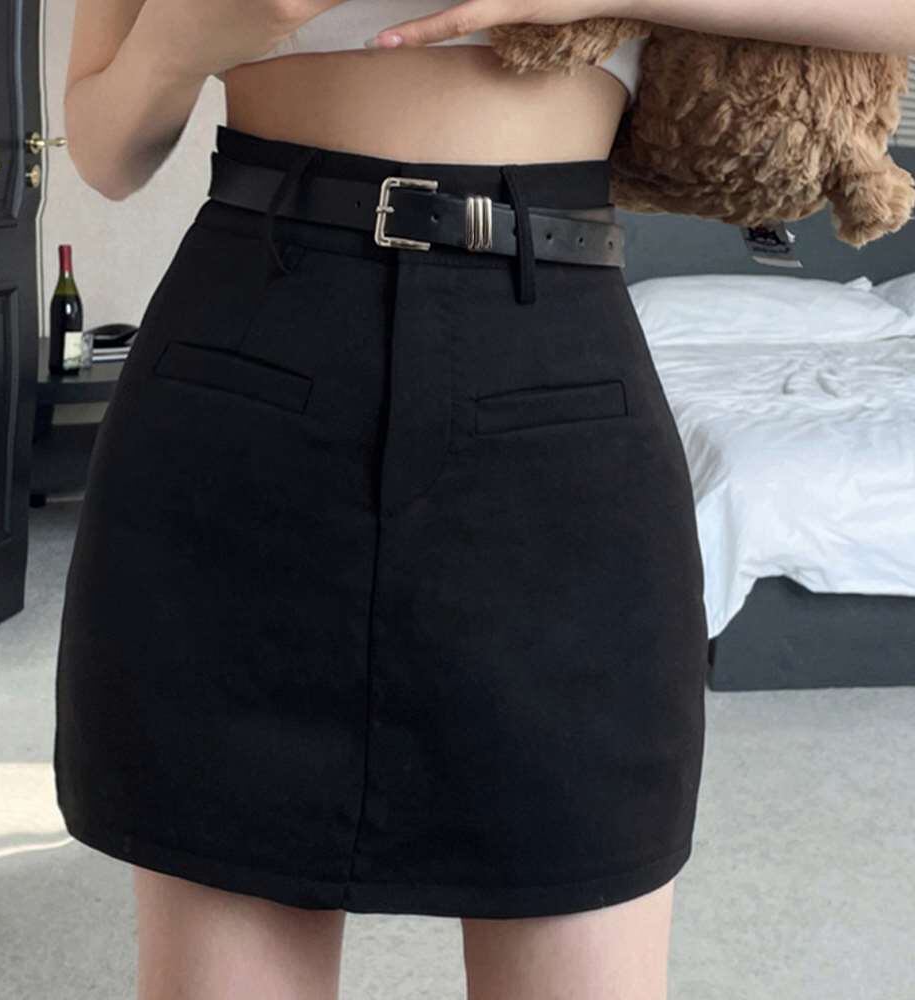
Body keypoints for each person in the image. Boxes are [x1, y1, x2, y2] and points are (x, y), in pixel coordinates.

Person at [55, 1, 910, 998]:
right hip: (249, 351)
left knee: (582, 853)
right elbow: (105, 151)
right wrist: (187, 36)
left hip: (554, 362)